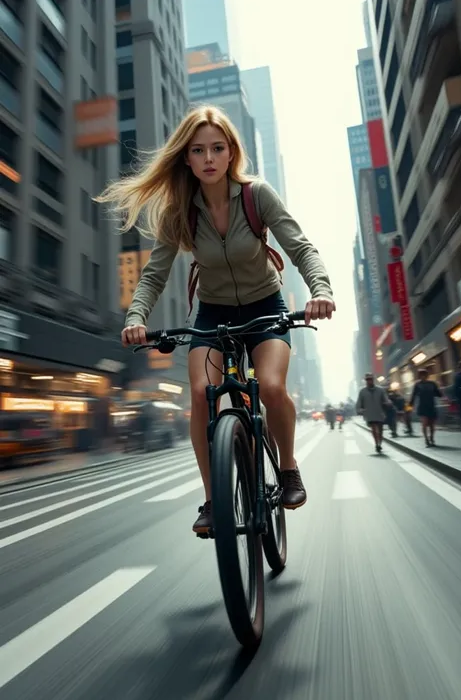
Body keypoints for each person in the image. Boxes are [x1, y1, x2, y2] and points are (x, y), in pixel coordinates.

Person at [95, 105, 336, 534]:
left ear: (231, 153)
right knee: (202, 394)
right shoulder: (180, 212)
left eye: (217, 148)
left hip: (266, 306)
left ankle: (288, 469)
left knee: (273, 387)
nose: (208, 158)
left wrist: (320, 290)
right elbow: (154, 274)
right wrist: (136, 317)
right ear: (186, 158)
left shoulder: (257, 195)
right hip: (212, 312)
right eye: (198, 150)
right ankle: (212, 501)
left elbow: (301, 247)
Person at [356, 373, 391, 453]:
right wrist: (359, 410)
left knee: (380, 430)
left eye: (370, 379)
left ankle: (380, 442)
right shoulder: (362, 391)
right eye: (367, 379)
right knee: (374, 429)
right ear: (366, 381)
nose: (369, 381)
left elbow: (385, 399)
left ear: (373, 380)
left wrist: (388, 403)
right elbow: (359, 403)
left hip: (380, 413)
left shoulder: (380, 390)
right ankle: (377, 444)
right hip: (369, 413)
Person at [410, 368, 442, 447]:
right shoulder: (417, 384)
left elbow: (438, 393)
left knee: (432, 425)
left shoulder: (432, 383)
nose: (423, 376)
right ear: (419, 376)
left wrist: (440, 392)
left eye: (424, 375)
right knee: (424, 423)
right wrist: (410, 406)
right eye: (421, 375)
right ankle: (426, 440)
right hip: (423, 406)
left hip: (431, 405)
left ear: (427, 375)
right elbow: (413, 396)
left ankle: (431, 438)